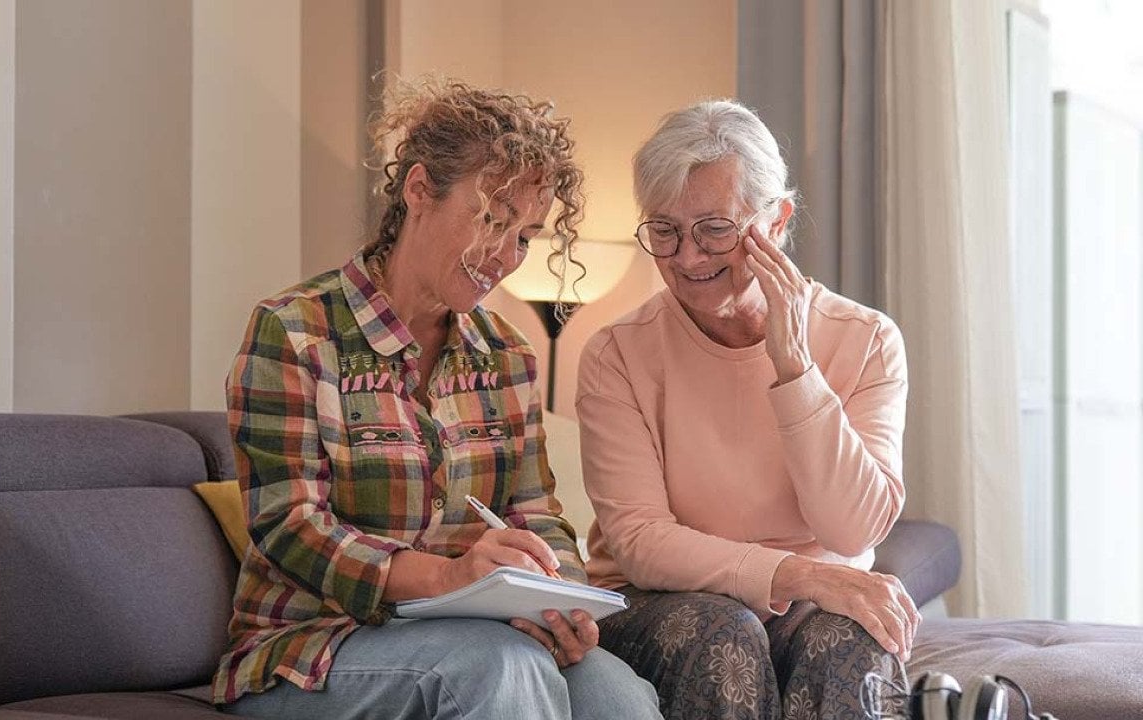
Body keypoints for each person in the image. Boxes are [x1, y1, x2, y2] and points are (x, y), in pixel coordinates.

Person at [214, 78, 661, 720]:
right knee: (498, 670)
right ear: (419, 190)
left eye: (526, 236)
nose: (506, 256)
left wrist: (557, 597)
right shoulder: (293, 332)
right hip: (308, 649)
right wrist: (447, 578)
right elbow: (292, 527)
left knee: (614, 693)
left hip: (471, 635)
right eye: (490, 220)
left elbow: (535, 512)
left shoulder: (506, 356)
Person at [576, 99, 917, 719]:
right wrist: (797, 575)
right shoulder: (616, 354)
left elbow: (853, 531)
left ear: (777, 220)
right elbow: (639, 541)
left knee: (853, 638)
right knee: (724, 634)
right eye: (664, 230)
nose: (686, 258)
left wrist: (796, 371)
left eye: (713, 228)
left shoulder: (865, 340)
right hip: (662, 602)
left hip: (806, 609)